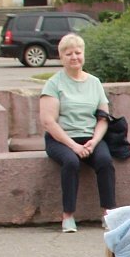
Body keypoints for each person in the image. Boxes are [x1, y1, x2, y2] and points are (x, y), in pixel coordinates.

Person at [40, 33, 117, 233]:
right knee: (71, 162)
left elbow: (103, 118)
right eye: (68, 54)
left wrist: (94, 141)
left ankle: (108, 214)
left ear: (83, 54)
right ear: (61, 58)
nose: (74, 57)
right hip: (61, 139)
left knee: (104, 161)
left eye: (78, 52)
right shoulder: (54, 84)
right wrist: (73, 146)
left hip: (90, 137)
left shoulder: (94, 82)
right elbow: (48, 121)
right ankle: (68, 216)